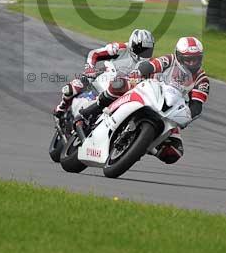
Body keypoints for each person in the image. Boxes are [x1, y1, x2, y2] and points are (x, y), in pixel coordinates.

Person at [78, 36, 209, 164]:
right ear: (179, 56)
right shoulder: (170, 60)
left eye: (196, 59)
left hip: (170, 109)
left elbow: (197, 105)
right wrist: (138, 72)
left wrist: (187, 117)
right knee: (119, 84)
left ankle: (141, 146)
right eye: (188, 59)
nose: (192, 63)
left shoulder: (202, 79)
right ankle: (92, 110)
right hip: (150, 88)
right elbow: (151, 66)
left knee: (174, 153)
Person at [53, 29, 155, 117]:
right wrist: (90, 68)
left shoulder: (151, 64)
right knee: (72, 88)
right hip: (104, 75)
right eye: (141, 49)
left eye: (147, 50)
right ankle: (61, 108)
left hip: (122, 89)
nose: (144, 53)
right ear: (133, 45)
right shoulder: (121, 48)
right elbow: (94, 54)